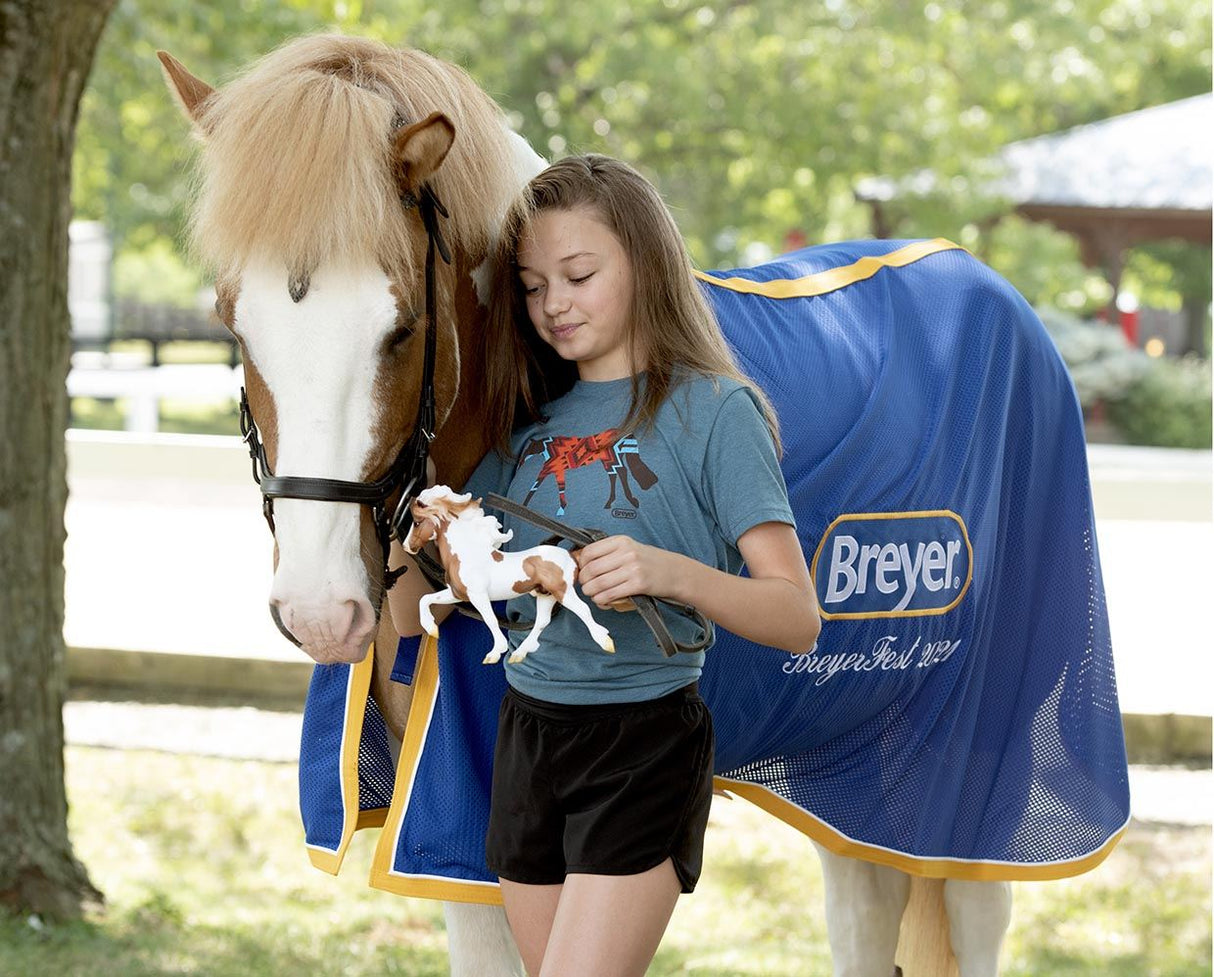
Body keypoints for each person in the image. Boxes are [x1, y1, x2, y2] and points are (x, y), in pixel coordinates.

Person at [388, 154, 820, 977]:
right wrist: (406, 535)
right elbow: (420, 612)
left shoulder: (716, 411)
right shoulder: (522, 433)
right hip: (527, 743)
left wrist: (671, 572)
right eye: (532, 284)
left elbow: (797, 616)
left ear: (646, 263)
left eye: (578, 274)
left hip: (642, 743)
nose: (554, 304)